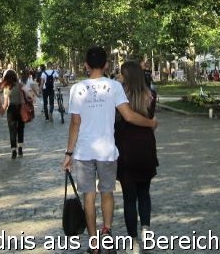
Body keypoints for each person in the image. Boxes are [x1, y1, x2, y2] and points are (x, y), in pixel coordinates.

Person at [62, 46, 158, 254]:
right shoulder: (114, 86)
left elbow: (75, 123)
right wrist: (150, 124)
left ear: (85, 65)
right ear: (106, 65)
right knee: (107, 193)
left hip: (84, 152)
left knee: (89, 196)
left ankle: (94, 244)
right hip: (107, 151)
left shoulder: (77, 89)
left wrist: (69, 153)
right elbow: (129, 116)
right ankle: (107, 233)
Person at [115, 61, 158, 254]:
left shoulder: (119, 98)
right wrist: (150, 123)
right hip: (146, 148)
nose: (118, 76)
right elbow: (151, 119)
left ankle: (133, 241)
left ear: (127, 76)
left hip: (126, 151)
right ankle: (147, 233)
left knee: (129, 198)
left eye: (120, 74)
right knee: (144, 193)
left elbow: (121, 120)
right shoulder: (150, 95)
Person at [0, 70, 25, 159]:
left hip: (11, 110)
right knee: (21, 129)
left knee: (12, 130)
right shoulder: (20, 86)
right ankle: (20, 148)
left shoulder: (6, 88)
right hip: (20, 108)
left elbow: (6, 102)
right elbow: (22, 99)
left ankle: (13, 150)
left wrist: (2, 110)